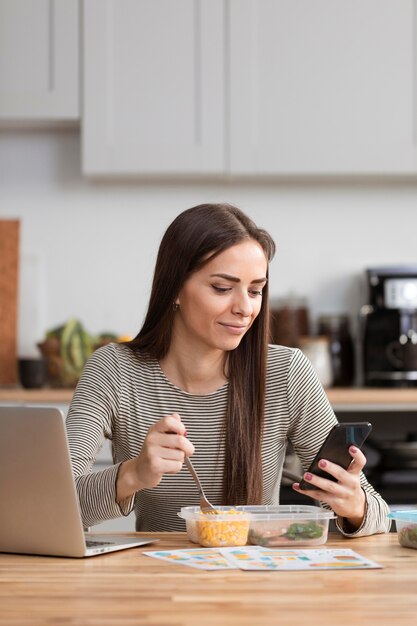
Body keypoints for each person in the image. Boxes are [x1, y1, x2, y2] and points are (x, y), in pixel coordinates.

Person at [66, 203, 390, 536]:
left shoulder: (286, 372)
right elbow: (56, 507)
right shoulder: (114, 370)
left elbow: (378, 515)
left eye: (255, 290)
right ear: (174, 288)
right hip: (155, 582)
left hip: (256, 578)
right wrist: (133, 474)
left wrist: (354, 506)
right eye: (222, 288)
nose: (245, 308)